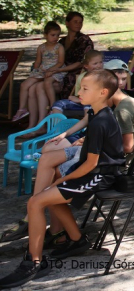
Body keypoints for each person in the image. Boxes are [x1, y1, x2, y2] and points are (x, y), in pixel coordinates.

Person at [0, 70, 124, 288]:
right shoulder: (96, 113)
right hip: (90, 170)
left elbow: (91, 165)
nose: (79, 92)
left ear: (103, 92)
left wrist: (59, 182)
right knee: (47, 198)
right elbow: (87, 139)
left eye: (85, 88)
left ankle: (34, 263)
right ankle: (77, 240)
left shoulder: (100, 122)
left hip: (100, 175)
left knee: (36, 201)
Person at [13, 22, 66, 122]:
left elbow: (60, 62)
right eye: (53, 35)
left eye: (58, 35)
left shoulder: (59, 47)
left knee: (48, 82)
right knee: (24, 85)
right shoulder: (41, 47)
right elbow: (38, 61)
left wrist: (51, 70)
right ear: (45, 35)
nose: (56, 38)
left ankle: (53, 105)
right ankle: (22, 108)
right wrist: (35, 69)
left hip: (55, 70)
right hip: (43, 70)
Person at [50, 50, 104, 118]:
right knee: (58, 104)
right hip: (82, 102)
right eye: (95, 63)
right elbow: (79, 94)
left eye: (101, 62)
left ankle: (87, 124)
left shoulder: (104, 77)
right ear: (86, 66)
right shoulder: (82, 77)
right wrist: (78, 99)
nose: (99, 66)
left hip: (94, 103)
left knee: (88, 104)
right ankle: (59, 125)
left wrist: (80, 100)